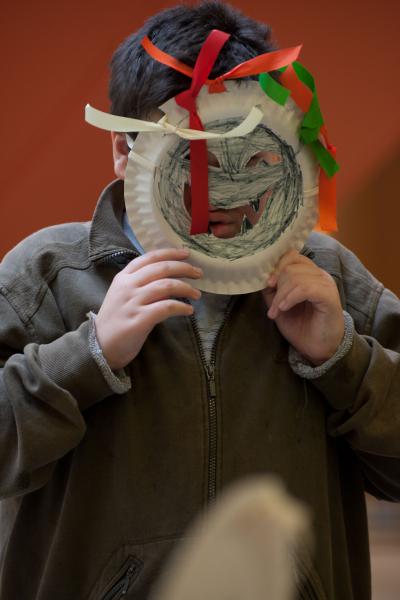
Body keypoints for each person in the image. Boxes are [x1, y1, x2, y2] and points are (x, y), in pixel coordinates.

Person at [0, 2, 399, 599]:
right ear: (124, 151)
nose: (228, 197)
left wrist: (345, 359)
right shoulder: (45, 277)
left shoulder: (330, 279)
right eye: (196, 163)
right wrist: (88, 355)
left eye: (252, 160)